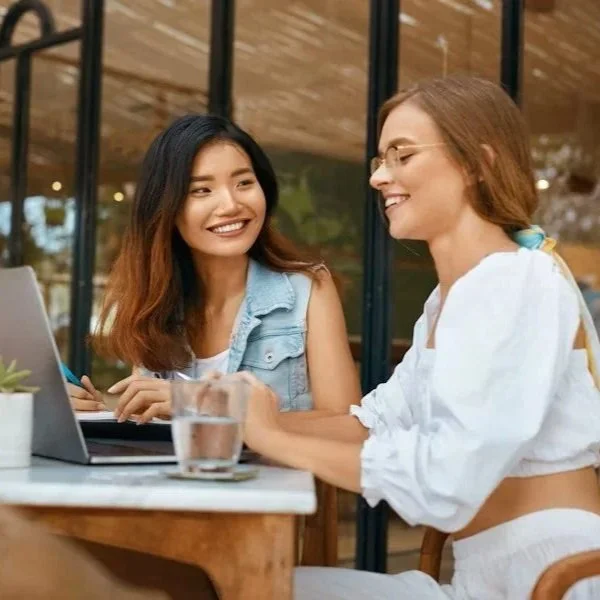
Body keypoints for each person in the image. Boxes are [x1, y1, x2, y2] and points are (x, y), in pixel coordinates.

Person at [235, 75, 600, 599]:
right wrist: (227, 416)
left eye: (402, 155)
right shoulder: (445, 302)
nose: (380, 177)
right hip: (480, 578)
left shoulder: (516, 282)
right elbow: (373, 424)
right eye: (380, 160)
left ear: (478, 163)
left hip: (552, 577)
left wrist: (272, 437)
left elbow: (445, 481)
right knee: (252, 586)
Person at [68, 115, 360, 423]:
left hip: (273, 472)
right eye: (201, 190)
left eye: (244, 183)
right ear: (167, 209)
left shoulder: (307, 288)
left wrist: (202, 401)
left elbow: (346, 424)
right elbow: (159, 428)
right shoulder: (157, 304)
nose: (231, 204)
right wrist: (100, 414)